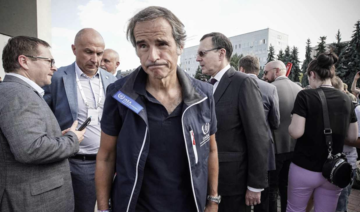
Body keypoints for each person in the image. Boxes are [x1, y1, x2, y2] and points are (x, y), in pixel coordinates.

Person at [95, 6, 219, 212]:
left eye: (162, 44)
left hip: (189, 205)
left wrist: (213, 200)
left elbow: (211, 150)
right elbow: (106, 156)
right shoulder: (119, 94)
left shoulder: (203, 94)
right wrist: (103, 208)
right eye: (143, 45)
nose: (152, 55)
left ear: (180, 46)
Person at [0, 36, 85, 211]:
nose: (54, 67)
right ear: (24, 61)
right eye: (49, 61)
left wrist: (55, 138)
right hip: (36, 202)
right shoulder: (18, 94)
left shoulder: (16, 92)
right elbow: (31, 149)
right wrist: (71, 139)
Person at [44, 28, 117, 212]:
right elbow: (44, 115)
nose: (95, 59)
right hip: (72, 161)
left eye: (99, 53)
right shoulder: (58, 77)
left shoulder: (112, 81)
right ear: (74, 49)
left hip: (107, 161)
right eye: (89, 52)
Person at [197, 32, 269, 212]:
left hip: (232, 183)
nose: (198, 59)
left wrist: (255, 185)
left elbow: (258, 136)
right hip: (205, 179)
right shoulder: (205, 86)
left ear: (221, 53)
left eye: (202, 53)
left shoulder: (242, 82)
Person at [287, 52, 358, 212]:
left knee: (295, 209)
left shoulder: (305, 95)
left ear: (312, 74)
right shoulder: (347, 99)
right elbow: (353, 136)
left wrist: (291, 122)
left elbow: (296, 132)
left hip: (304, 168)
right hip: (333, 169)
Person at [238, 55, 280, 212]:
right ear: (258, 69)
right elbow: (276, 121)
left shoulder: (234, 85)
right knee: (264, 192)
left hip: (238, 146)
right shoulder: (270, 88)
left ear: (241, 69)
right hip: (264, 149)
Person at [263, 60, 302, 212]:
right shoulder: (300, 89)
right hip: (295, 147)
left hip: (275, 148)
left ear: (277, 70)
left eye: (266, 72)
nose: (264, 76)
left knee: (272, 187)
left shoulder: (270, 89)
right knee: (286, 186)